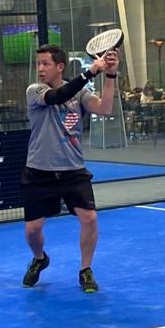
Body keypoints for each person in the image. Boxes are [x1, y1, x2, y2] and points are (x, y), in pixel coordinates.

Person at [21, 43, 119, 293]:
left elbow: (105, 108)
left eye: (46, 64)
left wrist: (110, 75)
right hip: (39, 171)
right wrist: (90, 72)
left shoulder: (81, 94)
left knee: (90, 219)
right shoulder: (35, 90)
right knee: (33, 230)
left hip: (73, 170)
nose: (40, 69)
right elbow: (58, 97)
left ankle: (85, 269)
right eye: (39, 64)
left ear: (60, 67)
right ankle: (40, 258)